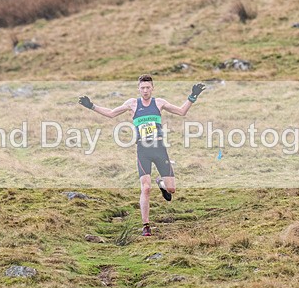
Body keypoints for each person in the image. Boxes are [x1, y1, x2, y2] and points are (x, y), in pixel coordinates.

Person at [79, 75, 206, 236]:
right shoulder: (132, 104)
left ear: (152, 88)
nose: (145, 90)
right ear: (139, 89)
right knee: (145, 188)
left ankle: (161, 182)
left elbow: (181, 112)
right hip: (143, 151)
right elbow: (111, 113)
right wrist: (91, 106)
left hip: (160, 149)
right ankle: (146, 225)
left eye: (148, 88)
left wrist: (192, 96)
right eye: (142, 88)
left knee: (172, 189)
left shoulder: (159, 103)